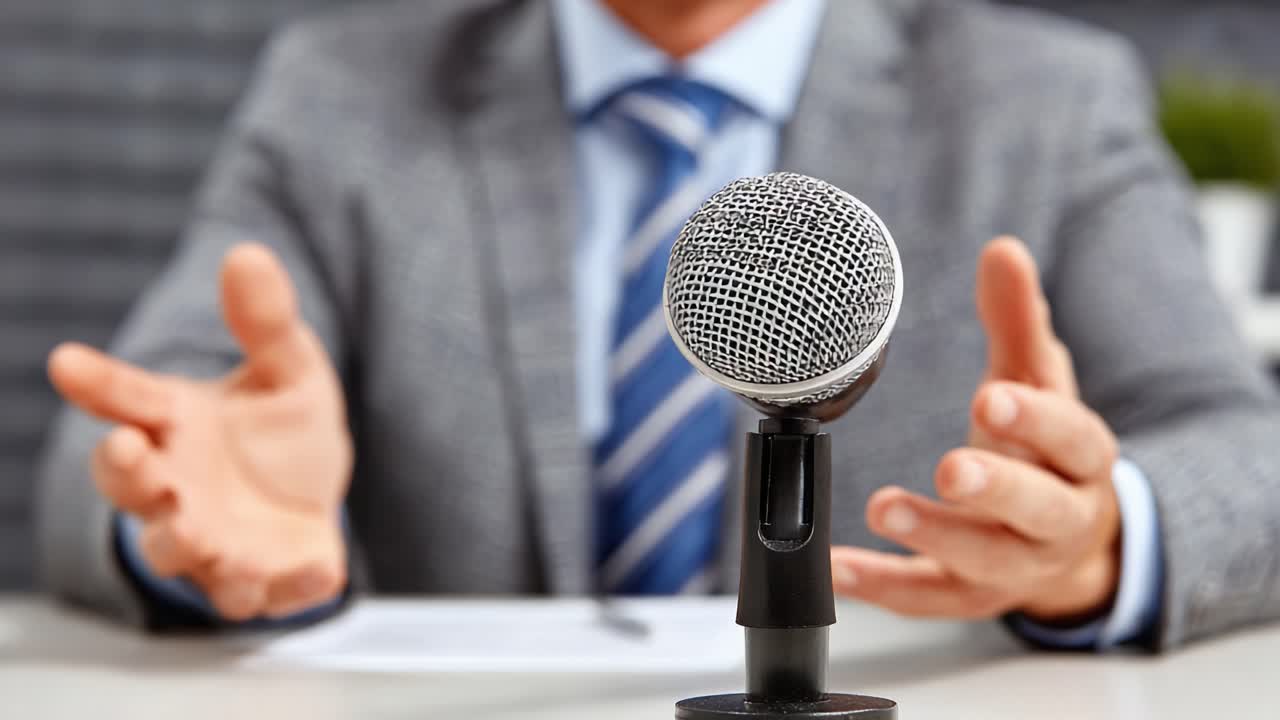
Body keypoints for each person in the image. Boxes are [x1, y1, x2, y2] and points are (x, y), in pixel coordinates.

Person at [36, 0, 1280, 650]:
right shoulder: (337, 95)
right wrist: (178, 522)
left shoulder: (1045, 99)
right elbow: (142, 436)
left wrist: (1107, 542)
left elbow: (1246, 450)